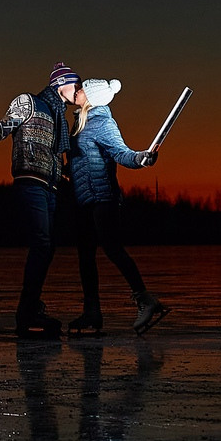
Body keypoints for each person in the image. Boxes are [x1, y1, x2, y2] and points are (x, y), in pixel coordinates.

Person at [0, 62, 81, 336]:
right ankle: (26, 310)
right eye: (74, 83)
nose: (77, 89)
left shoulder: (58, 118)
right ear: (60, 84)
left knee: (48, 246)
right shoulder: (29, 102)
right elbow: (7, 125)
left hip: (51, 186)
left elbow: (54, 154)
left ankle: (30, 307)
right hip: (30, 180)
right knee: (42, 244)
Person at [63, 77, 170, 335]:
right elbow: (80, 163)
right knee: (86, 257)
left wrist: (141, 158)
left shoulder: (102, 122)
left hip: (103, 199)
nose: (77, 91)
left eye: (82, 89)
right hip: (84, 200)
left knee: (112, 249)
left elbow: (122, 153)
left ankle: (145, 298)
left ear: (92, 97)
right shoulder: (80, 123)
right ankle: (92, 312)